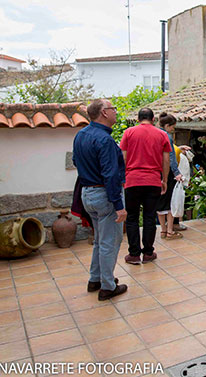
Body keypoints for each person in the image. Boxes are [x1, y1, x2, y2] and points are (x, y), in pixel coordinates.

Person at [72, 99, 128, 301]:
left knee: (99, 240)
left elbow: (75, 162)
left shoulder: (80, 136)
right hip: (104, 195)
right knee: (110, 241)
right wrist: (119, 206)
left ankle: (95, 279)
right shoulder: (104, 140)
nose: (115, 112)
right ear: (104, 113)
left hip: (87, 193)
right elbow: (110, 175)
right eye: (113, 108)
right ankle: (107, 286)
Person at [120, 107, 171, 265]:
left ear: (138, 119)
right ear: (153, 119)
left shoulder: (129, 133)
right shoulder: (162, 134)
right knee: (149, 217)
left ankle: (134, 254)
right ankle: (148, 253)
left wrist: (123, 178)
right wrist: (165, 180)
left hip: (132, 181)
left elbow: (123, 157)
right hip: (153, 181)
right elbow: (166, 160)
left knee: (132, 218)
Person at [156, 113, 190, 239]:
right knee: (171, 201)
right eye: (172, 127)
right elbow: (170, 157)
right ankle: (170, 231)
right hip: (167, 172)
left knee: (159, 202)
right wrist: (177, 173)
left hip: (156, 173)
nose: (172, 130)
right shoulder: (166, 136)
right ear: (167, 125)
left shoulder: (154, 134)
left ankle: (163, 231)